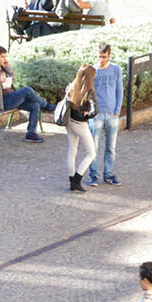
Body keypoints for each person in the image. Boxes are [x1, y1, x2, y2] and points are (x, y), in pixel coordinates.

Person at [0, 46, 49, 143]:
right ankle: (47, 105)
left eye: (5, 56)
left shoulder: (3, 68)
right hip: (3, 102)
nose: (5, 59)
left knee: (35, 105)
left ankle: (31, 133)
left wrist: (8, 67)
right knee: (27, 90)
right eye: (2, 57)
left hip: (12, 97)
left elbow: (13, 80)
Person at [86, 43, 123, 188]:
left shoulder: (116, 70)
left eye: (104, 57)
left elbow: (120, 91)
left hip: (112, 114)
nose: (101, 59)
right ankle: (93, 176)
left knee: (111, 147)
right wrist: (91, 111)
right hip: (96, 114)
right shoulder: (93, 71)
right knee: (93, 148)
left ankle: (108, 174)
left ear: (110, 56)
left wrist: (117, 111)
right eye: (100, 56)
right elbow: (88, 92)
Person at [62, 64, 97, 193]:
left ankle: (71, 181)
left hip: (69, 122)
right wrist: (86, 113)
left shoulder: (71, 87)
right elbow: (95, 111)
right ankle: (77, 178)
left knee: (72, 151)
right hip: (81, 125)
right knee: (91, 153)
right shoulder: (89, 91)